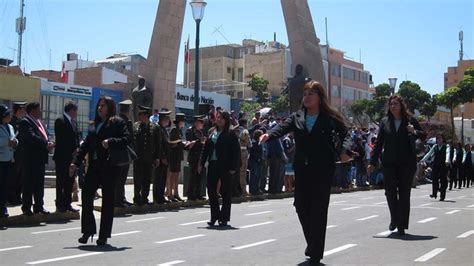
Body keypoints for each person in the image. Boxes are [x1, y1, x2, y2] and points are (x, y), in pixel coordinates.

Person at [259, 80, 353, 264]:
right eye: (305, 94)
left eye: (311, 94)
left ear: (319, 97)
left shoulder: (330, 117)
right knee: (301, 206)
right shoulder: (297, 116)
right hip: (302, 168)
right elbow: (282, 127)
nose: (307, 97)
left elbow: (346, 135)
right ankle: (313, 242)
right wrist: (268, 134)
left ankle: (315, 252)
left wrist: (345, 151)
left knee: (318, 209)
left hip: (323, 168)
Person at [70, 96, 131, 246]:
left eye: (103, 106)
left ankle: (103, 235)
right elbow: (85, 147)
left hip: (110, 167)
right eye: (99, 106)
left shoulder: (117, 122)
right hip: (94, 167)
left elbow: (127, 139)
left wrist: (110, 142)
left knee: (108, 201)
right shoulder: (93, 125)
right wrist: (75, 163)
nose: (99, 108)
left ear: (109, 107)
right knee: (86, 195)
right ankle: (88, 230)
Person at [368, 95, 425, 236]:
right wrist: (372, 162)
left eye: (396, 103)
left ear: (401, 105)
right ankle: (394, 218)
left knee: (404, 194)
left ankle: (401, 225)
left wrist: (414, 131)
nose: (393, 106)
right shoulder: (385, 121)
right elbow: (379, 143)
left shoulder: (410, 120)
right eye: (391, 104)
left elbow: (423, 136)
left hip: (407, 163)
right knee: (390, 192)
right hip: (389, 163)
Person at [199, 110, 240, 227]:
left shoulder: (230, 133)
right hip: (213, 164)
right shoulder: (212, 132)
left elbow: (236, 152)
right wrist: (201, 163)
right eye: (218, 117)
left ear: (226, 120)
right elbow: (206, 149)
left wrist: (233, 167)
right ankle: (214, 216)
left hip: (226, 166)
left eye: (221, 117)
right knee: (211, 190)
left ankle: (224, 217)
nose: (219, 119)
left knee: (226, 192)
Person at [19, 102, 55, 216]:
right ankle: (26, 207)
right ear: (33, 111)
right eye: (39, 109)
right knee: (28, 184)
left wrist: (49, 142)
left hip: (40, 159)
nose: (41, 111)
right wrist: (46, 143)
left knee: (39, 184)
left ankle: (39, 206)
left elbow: (46, 135)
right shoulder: (25, 122)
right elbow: (31, 137)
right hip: (30, 159)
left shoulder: (40, 123)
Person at [53, 101, 80, 212]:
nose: (76, 113)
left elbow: (76, 138)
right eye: (75, 111)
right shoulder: (60, 121)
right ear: (71, 110)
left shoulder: (74, 123)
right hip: (62, 157)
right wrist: (72, 149)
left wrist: (78, 148)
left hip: (72, 158)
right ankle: (60, 204)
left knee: (70, 181)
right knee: (61, 181)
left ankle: (67, 203)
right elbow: (61, 140)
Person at [133, 105, 160, 206]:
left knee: (147, 179)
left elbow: (158, 144)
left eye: (143, 115)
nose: (141, 117)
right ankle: (136, 197)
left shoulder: (155, 127)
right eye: (140, 115)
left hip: (149, 158)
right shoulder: (135, 126)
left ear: (147, 116)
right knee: (137, 179)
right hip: (138, 157)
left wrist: (157, 157)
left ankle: (144, 197)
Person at [114, 99, 134, 208]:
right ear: (128, 110)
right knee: (121, 179)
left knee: (118, 178)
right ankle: (120, 200)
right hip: (125, 153)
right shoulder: (127, 121)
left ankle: (120, 199)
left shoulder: (115, 120)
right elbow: (130, 138)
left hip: (117, 154)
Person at [7, 101, 26, 205]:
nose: (24, 112)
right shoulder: (11, 123)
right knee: (13, 177)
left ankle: (18, 196)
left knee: (20, 177)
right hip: (14, 155)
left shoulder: (22, 122)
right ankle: (12, 197)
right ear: (19, 110)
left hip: (22, 155)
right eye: (23, 109)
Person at [0, 105, 18, 217]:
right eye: (7, 115)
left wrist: (15, 142)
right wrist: (7, 141)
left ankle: (3, 207)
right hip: (1, 159)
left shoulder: (10, 127)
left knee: (5, 185)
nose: (10, 117)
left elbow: (14, 138)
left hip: (9, 160)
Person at [420, 134, 450, 201]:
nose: (439, 140)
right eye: (438, 138)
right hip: (436, 164)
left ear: (443, 139)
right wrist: (423, 160)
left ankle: (442, 196)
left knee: (443, 180)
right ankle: (434, 193)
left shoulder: (446, 146)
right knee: (434, 179)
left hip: (443, 165)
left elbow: (448, 153)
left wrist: (447, 160)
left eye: (440, 138)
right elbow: (429, 154)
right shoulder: (435, 146)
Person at [185, 115, 206, 201]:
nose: (202, 125)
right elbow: (189, 143)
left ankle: (198, 193)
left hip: (200, 157)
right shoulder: (190, 131)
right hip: (193, 156)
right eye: (200, 123)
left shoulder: (200, 132)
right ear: (196, 123)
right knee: (192, 176)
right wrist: (198, 141)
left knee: (199, 176)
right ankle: (190, 194)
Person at [153, 108, 172, 204]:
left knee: (163, 179)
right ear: (163, 119)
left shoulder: (164, 129)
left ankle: (161, 197)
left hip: (165, 159)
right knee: (158, 179)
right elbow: (158, 144)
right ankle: (157, 198)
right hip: (160, 159)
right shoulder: (158, 128)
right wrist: (162, 157)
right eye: (167, 119)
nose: (168, 121)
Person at [167, 113, 186, 202]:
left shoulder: (180, 130)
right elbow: (172, 143)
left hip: (178, 155)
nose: (183, 123)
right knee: (172, 175)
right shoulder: (174, 130)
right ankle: (170, 193)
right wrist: (181, 142)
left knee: (177, 174)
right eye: (182, 121)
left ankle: (176, 193)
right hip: (173, 155)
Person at [238, 118, 251, 196]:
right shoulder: (245, 131)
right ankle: (243, 190)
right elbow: (249, 144)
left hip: (236, 152)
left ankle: (237, 189)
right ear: (244, 124)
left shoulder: (234, 130)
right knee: (243, 172)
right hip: (243, 152)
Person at [249, 129, 264, 195]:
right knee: (254, 175)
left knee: (258, 175)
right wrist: (258, 159)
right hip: (254, 161)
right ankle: (253, 190)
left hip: (258, 161)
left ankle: (257, 189)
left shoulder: (258, 142)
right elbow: (253, 153)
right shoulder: (254, 143)